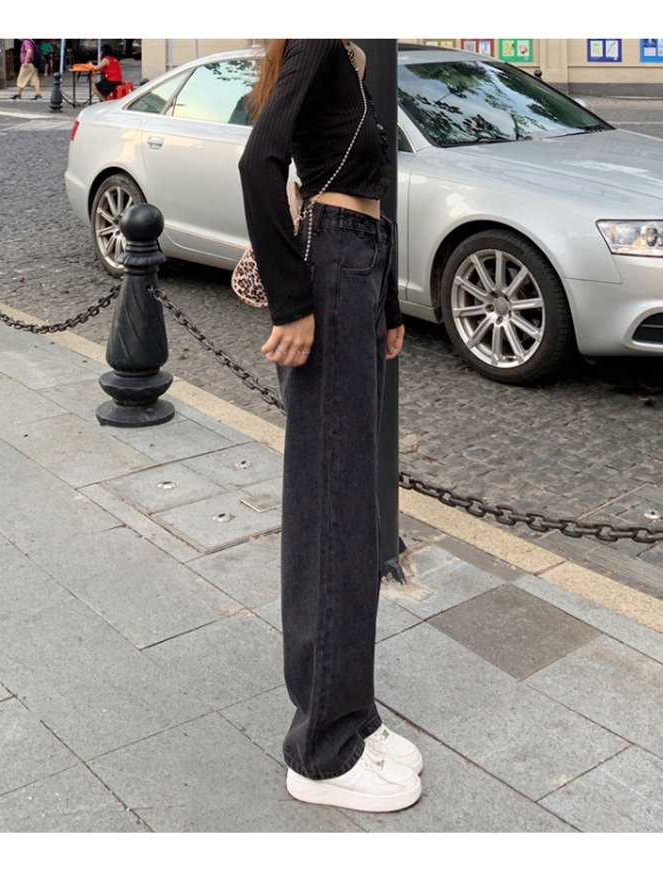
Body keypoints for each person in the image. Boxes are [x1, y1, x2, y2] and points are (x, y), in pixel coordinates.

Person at [238, 39, 418, 814]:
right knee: (334, 511)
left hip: (357, 266)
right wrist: (292, 304)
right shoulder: (316, 36)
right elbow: (259, 163)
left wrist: (387, 304)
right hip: (333, 269)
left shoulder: (342, 49)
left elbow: (359, 182)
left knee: (352, 507)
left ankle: (352, 713)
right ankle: (322, 750)